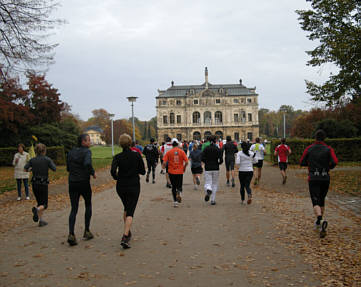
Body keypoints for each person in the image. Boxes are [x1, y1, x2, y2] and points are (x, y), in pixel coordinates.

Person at [300, 130, 338, 238]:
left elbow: (302, 161)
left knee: (315, 200)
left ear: (315, 138)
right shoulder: (328, 149)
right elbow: (335, 161)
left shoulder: (309, 148)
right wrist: (328, 167)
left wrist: (310, 164)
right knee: (322, 199)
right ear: (324, 138)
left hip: (313, 177)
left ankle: (320, 220)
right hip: (325, 177)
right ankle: (319, 221)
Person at [111, 134, 146, 249]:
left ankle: (128, 230)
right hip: (133, 185)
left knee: (126, 207)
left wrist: (117, 177)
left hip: (121, 186)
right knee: (130, 210)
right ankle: (125, 236)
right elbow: (142, 171)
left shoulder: (117, 157)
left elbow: (112, 171)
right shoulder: (136, 155)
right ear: (131, 143)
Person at [66, 134, 96, 246]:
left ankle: (71, 233)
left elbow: (68, 168)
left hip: (72, 182)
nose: (90, 142)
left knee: (74, 208)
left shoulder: (71, 152)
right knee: (88, 205)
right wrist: (92, 172)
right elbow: (87, 163)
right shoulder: (87, 152)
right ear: (83, 142)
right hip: (83, 182)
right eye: (88, 140)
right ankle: (87, 230)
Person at [24, 143, 56, 226]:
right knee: (44, 204)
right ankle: (36, 210)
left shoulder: (32, 160)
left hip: (35, 183)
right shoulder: (47, 159)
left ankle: (41, 221)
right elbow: (54, 169)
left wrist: (31, 169)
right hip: (43, 183)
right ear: (44, 151)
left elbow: (25, 168)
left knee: (39, 202)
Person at [162, 139, 188, 207]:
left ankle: (175, 202)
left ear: (172, 146)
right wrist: (184, 167)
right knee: (179, 185)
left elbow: (164, 162)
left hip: (171, 171)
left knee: (173, 187)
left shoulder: (169, 152)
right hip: (180, 171)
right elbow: (187, 161)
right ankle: (179, 192)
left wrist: (163, 168)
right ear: (178, 145)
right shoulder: (181, 152)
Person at [201, 135, 223, 205]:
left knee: (208, 182)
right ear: (215, 141)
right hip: (216, 167)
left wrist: (206, 162)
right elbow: (221, 159)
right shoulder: (217, 149)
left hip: (208, 167)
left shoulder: (206, 148)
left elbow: (202, 158)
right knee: (215, 184)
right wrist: (218, 163)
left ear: (209, 140)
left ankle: (208, 189)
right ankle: (213, 200)